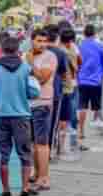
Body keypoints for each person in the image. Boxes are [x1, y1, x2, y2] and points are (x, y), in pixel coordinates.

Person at [0, 37, 40, 196]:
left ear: (1, 50)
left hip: (0, 117)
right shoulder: (26, 69)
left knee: (3, 154)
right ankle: (24, 189)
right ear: (18, 50)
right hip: (21, 116)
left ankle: (6, 191)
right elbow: (35, 92)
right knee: (25, 153)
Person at [26, 29, 57, 190]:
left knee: (42, 143)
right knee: (32, 143)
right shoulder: (27, 55)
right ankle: (36, 173)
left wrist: (30, 63)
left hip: (42, 103)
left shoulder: (49, 57)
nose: (42, 44)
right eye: (39, 40)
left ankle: (44, 178)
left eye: (44, 41)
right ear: (31, 40)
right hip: (28, 104)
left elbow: (43, 79)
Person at [78, 24, 103, 149]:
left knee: (82, 107)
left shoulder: (80, 47)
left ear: (84, 33)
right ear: (94, 34)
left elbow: (77, 63)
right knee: (97, 106)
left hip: (82, 81)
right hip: (96, 81)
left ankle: (81, 131)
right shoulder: (100, 46)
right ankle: (100, 129)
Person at [42, 24, 68, 158]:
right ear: (57, 38)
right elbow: (64, 74)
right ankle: (49, 152)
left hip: (37, 94)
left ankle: (39, 150)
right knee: (52, 123)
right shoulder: (60, 53)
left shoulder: (37, 51)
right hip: (55, 92)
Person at [58, 27, 81, 155]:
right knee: (71, 114)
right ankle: (71, 141)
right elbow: (79, 62)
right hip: (70, 84)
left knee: (63, 115)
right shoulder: (73, 48)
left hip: (62, 85)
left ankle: (64, 142)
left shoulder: (58, 49)